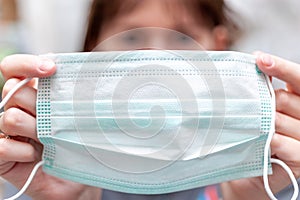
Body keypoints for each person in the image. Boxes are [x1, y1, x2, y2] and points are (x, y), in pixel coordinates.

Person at [0, 0, 300, 199]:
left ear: (218, 47)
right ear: (95, 48)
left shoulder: (272, 171)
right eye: (131, 38)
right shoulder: (47, 167)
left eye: (182, 37)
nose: (157, 60)